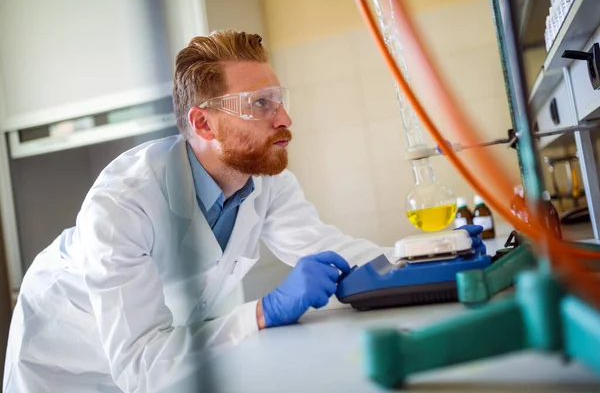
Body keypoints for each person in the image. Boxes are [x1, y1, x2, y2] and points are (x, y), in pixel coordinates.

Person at [3, 30, 485, 392]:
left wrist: (441, 259)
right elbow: (141, 365)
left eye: (279, 100)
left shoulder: (265, 185)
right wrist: (264, 311)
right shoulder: (124, 204)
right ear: (203, 123)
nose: (285, 118)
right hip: (61, 368)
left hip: (163, 357)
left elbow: (339, 254)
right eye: (261, 103)